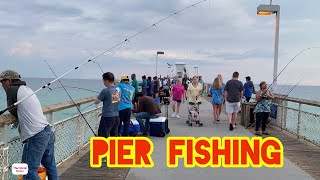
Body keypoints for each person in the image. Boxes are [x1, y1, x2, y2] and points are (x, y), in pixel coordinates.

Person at [0, 70, 59, 179]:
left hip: (35, 135)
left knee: (28, 171)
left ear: (8, 81)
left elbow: (12, 110)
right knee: (50, 166)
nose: (2, 86)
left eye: (2, 82)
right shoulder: (26, 89)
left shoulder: (11, 89)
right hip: (46, 131)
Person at [95, 72, 121, 138]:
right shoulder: (118, 89)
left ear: (106, 80)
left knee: (102, 136)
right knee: (114, 137)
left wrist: (102, 97)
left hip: (107, 116)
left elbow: (96, 101)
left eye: (103, 81)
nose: (103, 82)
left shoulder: (105, 90)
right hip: (116, 116)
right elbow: (114, 99)